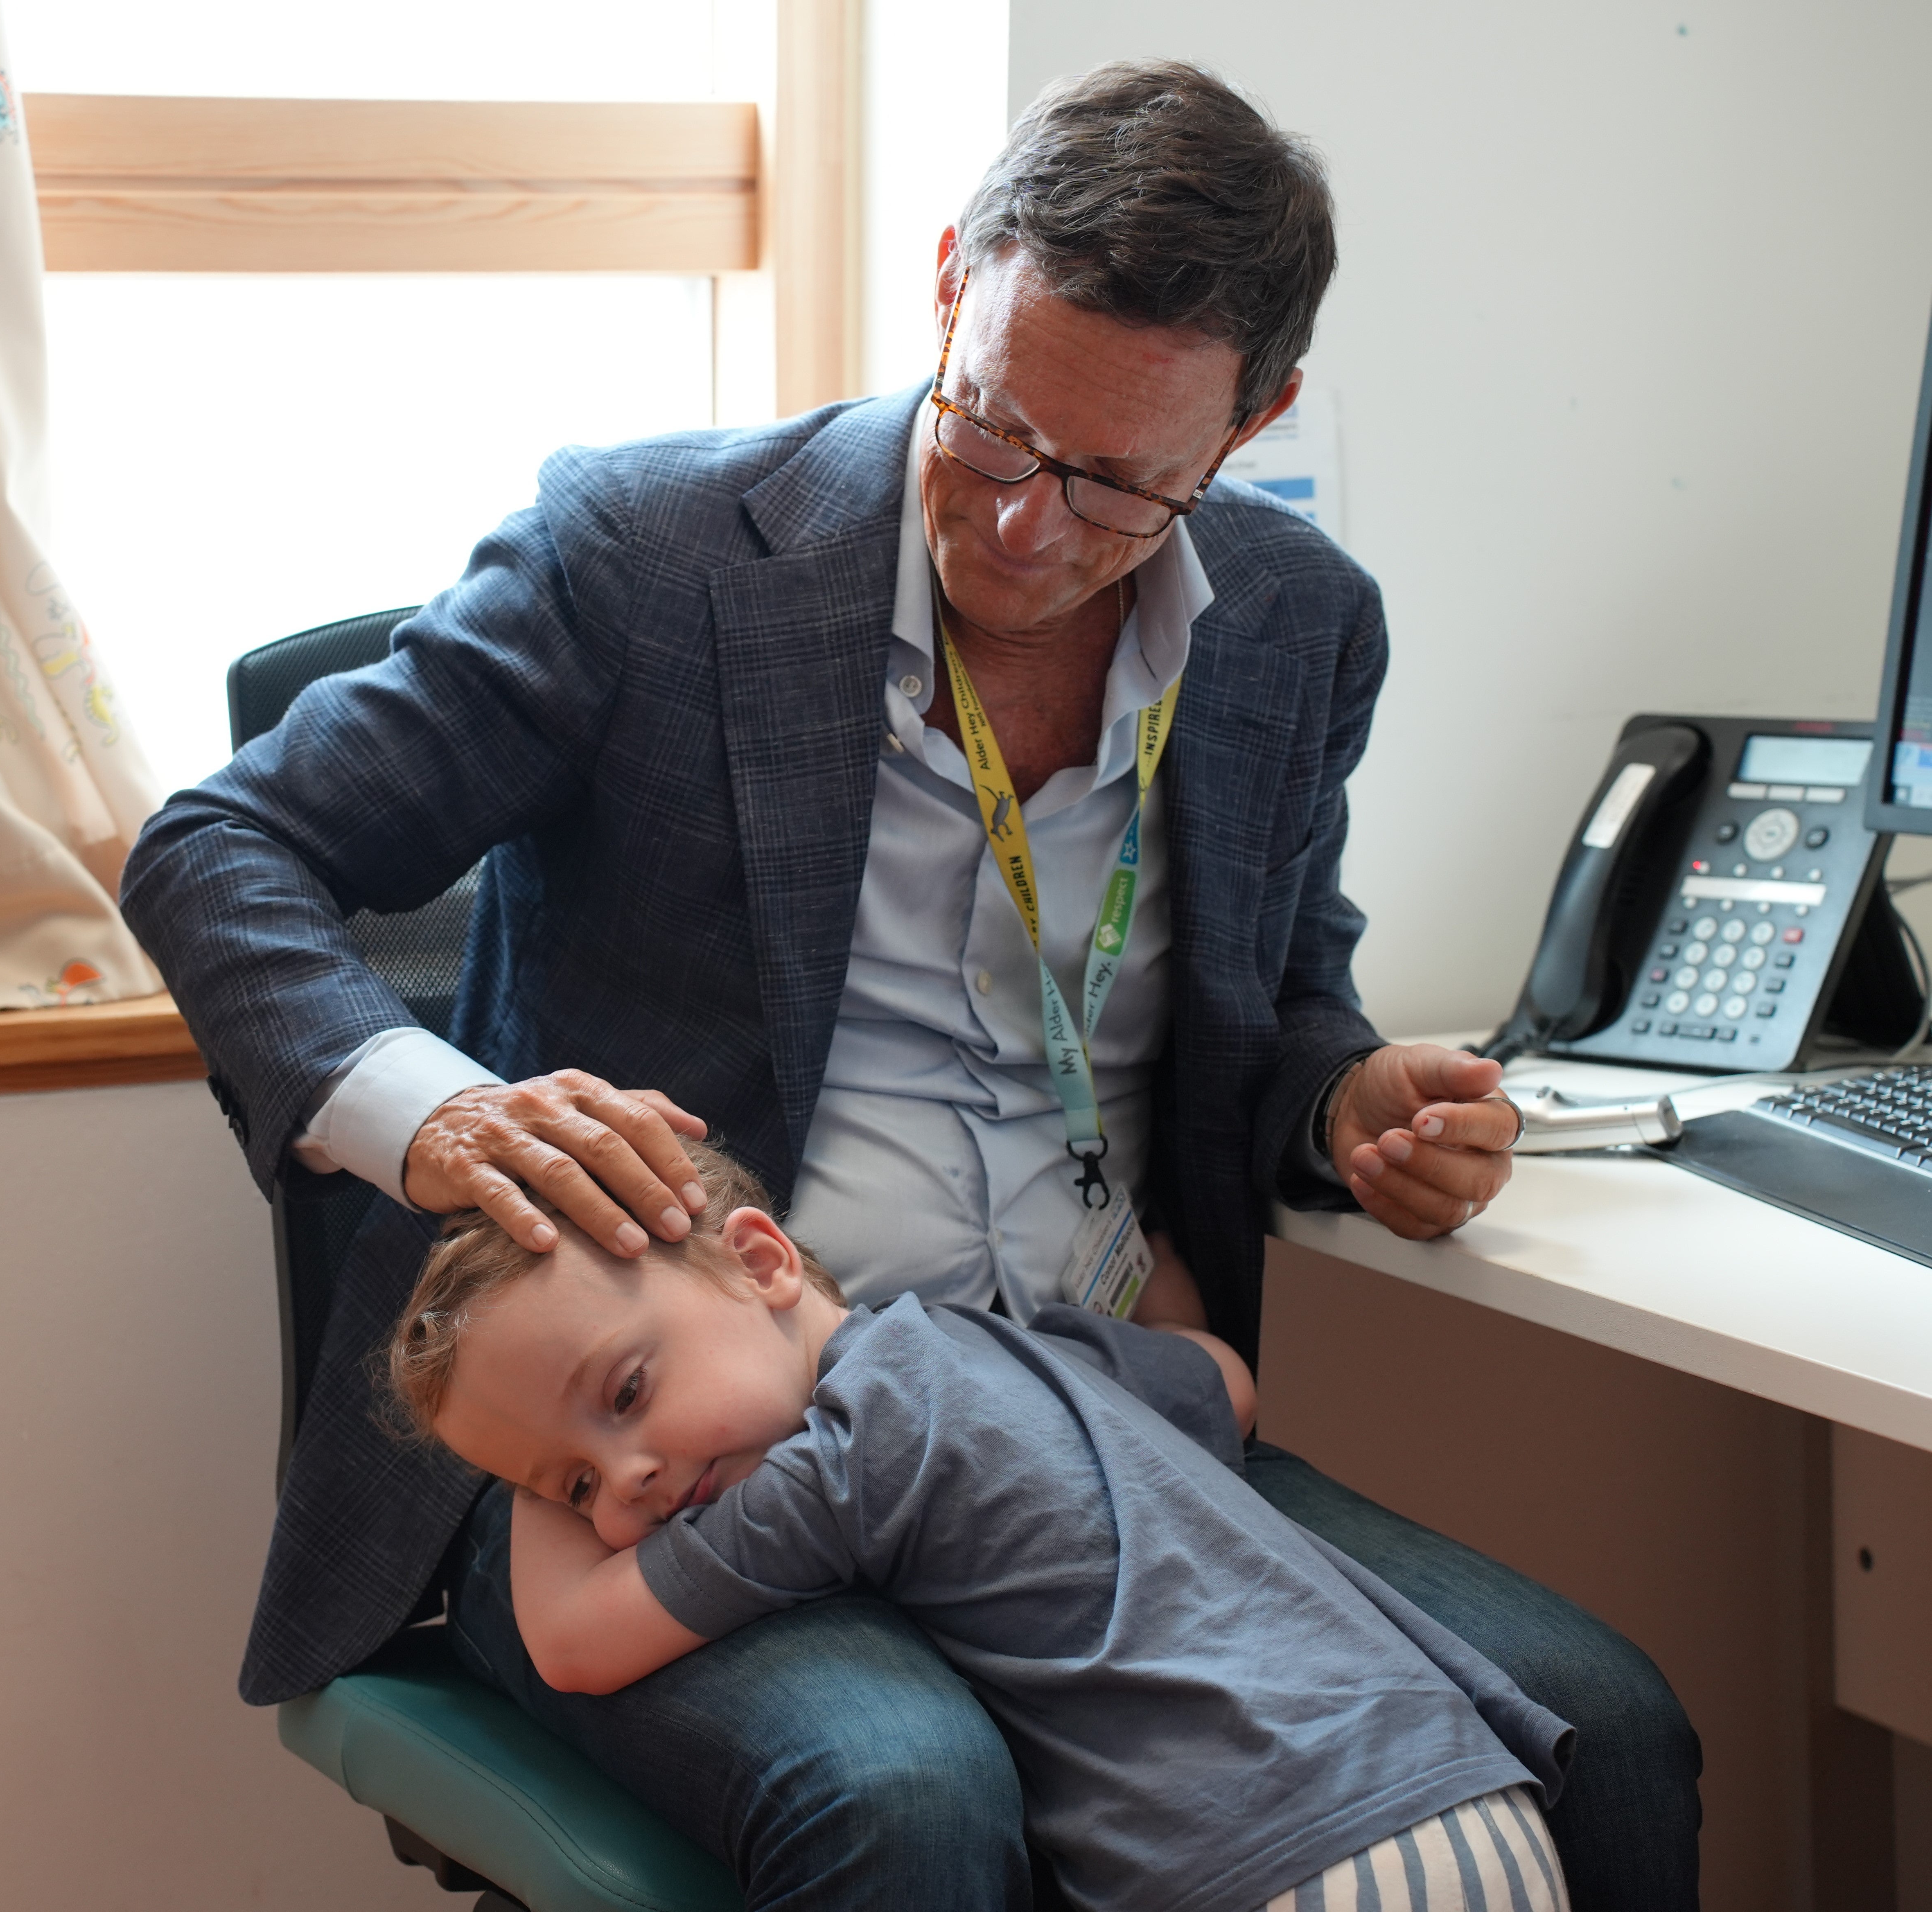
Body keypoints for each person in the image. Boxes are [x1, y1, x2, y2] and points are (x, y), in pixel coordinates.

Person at [122, 57, 1700, 1910]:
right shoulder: (649, 560)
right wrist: (435, 1111)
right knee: (908, 1794)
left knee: (1601, 1725)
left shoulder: (1292, 625)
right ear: (951, 278)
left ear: (1248, 423)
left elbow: (1276, 1029)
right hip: (673, 1441)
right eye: (995, 430)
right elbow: (214, 851)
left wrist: (1349, 1111)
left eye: (1119, 485)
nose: (1029, 529)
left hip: (1064, 1426)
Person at [388, 1143, 1573, 1912]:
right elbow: (1226, 1382)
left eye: (628, 1395)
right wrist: (1152, 1270)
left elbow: (574, 1645)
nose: (631, 1483)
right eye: (580, 1488)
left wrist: (528, 1482)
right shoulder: (996, 1343)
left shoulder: (841, 1466)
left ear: (761, 1262)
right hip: (1468, 1801)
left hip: (1277, 1874)